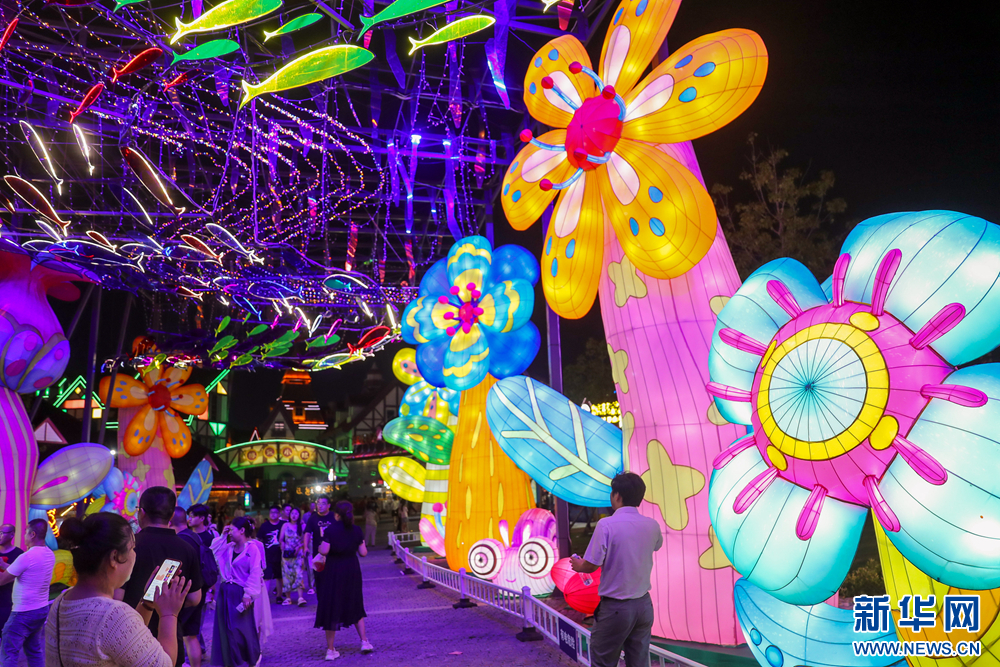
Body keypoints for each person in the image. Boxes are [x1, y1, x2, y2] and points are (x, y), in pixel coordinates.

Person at [45, 513, 192, 667]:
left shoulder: (60, 602)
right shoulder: (114, 615)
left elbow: (127, 640)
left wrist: (147, 603)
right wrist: (169, 614)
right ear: (114, 558)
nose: (134, 555)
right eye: (132, 548)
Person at [570, 473, 663, 667]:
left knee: (603, 661)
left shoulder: (606, 525)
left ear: (617, 496)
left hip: (616, 608)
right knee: (638, 663)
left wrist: (579, 566)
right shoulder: (652, 525)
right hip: (643, 605)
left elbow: (592, 564)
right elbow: (656, 546)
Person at [120, 487, 203, 667]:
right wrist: (169, 604)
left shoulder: (130, 546)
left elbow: (117, 597)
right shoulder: (187, 548)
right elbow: (195, 598)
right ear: (171, 514)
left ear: (141, 513)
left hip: (130, 640)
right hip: (171, 636)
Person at [314, 502, 373, 660]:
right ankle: (364, 641)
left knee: (331, 606)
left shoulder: (330, 530)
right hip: (352, 570)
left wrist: (320, 547)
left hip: (334, 571)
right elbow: (364, 552)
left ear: (336, 515)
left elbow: (324, 550)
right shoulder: (356, 530)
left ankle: (330, 650)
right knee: (355, 603)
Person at [0, 519, 54, 667]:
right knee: (34, 650)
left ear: (33, 534)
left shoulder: (26, 556)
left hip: (23, 612)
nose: (23, 535)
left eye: (25, 532)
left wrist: (3, 569)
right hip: (40, 609)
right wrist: (4, 565)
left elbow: (3, 580)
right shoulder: (49, 554)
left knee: (8, 652)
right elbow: (27, 572)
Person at [210, 517, 262, 667]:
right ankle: (231, 662)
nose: (230, 532)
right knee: (225, 630)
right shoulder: (229, 547)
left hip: (241, 593)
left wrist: (248, 594)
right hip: (225, 591)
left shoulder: (252, 548)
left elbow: (255, 572)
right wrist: (222, 536)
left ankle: (251, 657)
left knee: (240, 630)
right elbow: (213, 553)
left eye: (232, 529)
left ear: (242, 530)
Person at [179, 504, 219, 667]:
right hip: (198, 587)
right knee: (192, 631)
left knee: (190, 631)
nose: (189, 518)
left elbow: (213, 565)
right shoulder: (191, 536)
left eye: (192, 515)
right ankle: (198, 652)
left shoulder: (209, 538)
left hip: (200, 588)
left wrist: (212, 589)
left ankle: (192, 657)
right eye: (188, 515)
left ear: (202, 518)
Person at [278, 508, 308, 607]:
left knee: (299, 574)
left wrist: (299, 547)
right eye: (292, 513)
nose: (294, 515)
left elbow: (306, 539)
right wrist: (282, 544)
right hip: (287, 554)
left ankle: (300, 597)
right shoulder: (285, 525)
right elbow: (281, 538)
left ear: (299, 515)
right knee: (286, 574)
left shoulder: (302, 526)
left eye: (296, 513)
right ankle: (288, 598)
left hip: (298, 554)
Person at [256, 507, 285, 604]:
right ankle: (265, 597)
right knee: (267, 577)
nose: (273, 514)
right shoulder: (264, 526)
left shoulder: (283, 525)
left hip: (280, 555)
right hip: (267, 556)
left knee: (279, 576)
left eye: (275, 512)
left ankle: (279, 596)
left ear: (279, 514)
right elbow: (258, 539)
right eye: (271, 512)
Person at [0, 525, 23, 643]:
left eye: (2, 533)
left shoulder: (19, 555)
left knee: (7, 639)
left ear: (12, 535)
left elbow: (22, 578)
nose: (0, 535)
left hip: (8, 602)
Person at [304, 498, 333, 585]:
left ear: (329, 505)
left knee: (332, 573)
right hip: (318, 552)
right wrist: (305, 547)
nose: (320, 506)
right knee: (319, 575)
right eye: (318, 503)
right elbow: (307, 533)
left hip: (333, 550)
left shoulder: (334, 516)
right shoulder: (313, 518)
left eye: (323, 503)